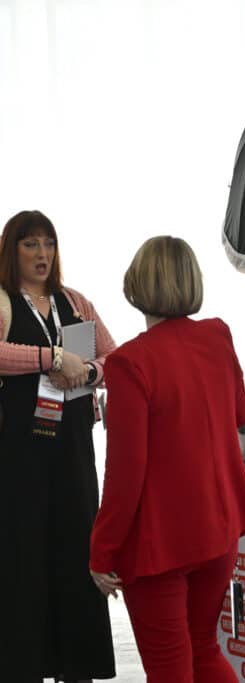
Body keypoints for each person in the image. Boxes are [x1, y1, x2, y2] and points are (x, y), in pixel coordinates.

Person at [89, 236, 245, 682]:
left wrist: (101, 551)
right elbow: (240, 414)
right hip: (217, 527)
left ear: (136, 286)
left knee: (170, 665)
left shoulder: (131, 363)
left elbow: (125, 472)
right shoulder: (217, 336)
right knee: (203, 649)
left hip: (159, 540)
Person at [0, 210, 117, 682]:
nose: (42, 254)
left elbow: (113, 355)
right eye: (30, 244)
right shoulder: (5, 302)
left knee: (77, 554)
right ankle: (22, 666)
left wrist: (88, 371)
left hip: (72, 449)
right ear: (13, 251)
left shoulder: (75, 302)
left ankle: (79, 668)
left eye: (48, 243)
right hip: (18, 453)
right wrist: (50, 358)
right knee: (22, 558)